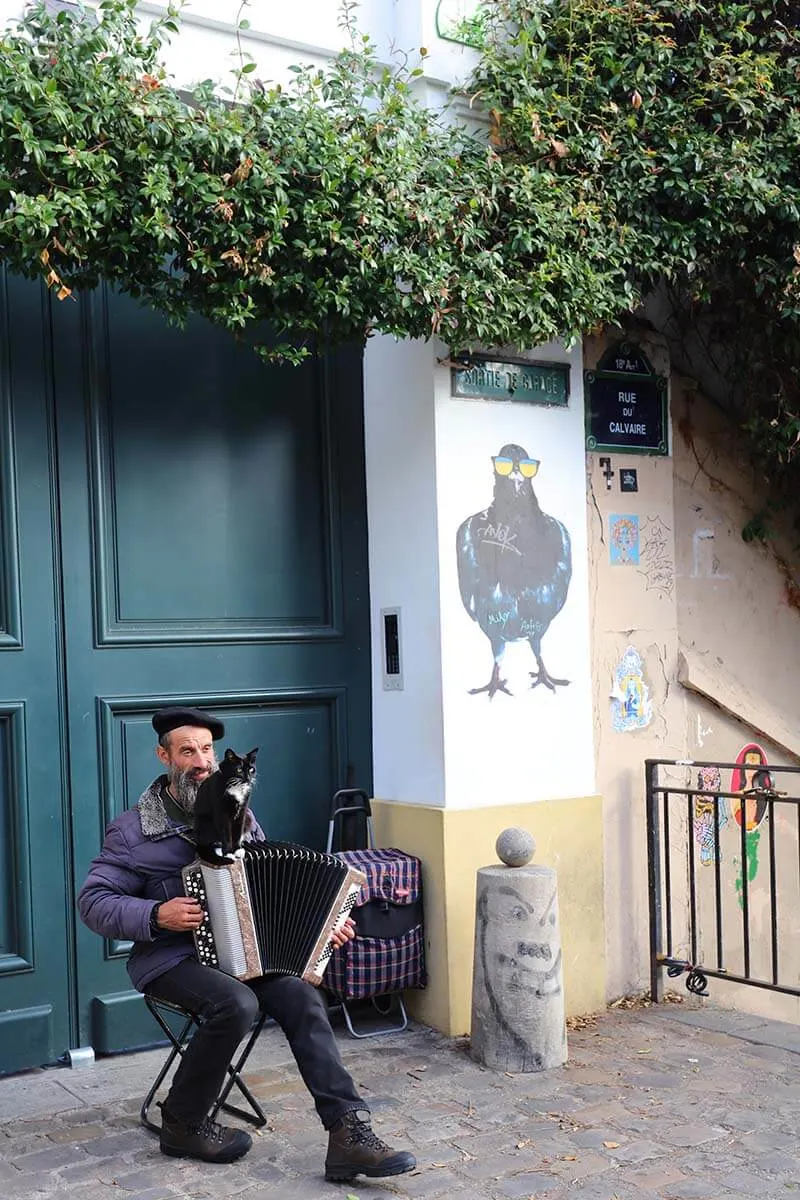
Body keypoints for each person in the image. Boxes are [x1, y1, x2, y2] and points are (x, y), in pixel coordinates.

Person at [77, 706, 416, 1182]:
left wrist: (322, 925)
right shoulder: (134, 830)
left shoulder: (239, 812)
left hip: (247, 948)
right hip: (171, 957)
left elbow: (269, 881)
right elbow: (93, 902)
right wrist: (157, 914)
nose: (202, 761)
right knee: (234, 1003)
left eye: (207, 749)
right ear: (164, 756)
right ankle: (184, 1121)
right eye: (187, 750)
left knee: (301, 994)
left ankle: (348, 1134)